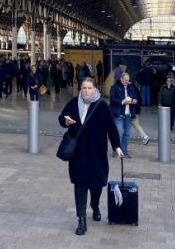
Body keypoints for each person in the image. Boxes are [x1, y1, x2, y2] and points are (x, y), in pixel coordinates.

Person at [58, 78, 123, 235]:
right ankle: (81, 220)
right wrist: (66, 121)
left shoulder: (102, 106)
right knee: (80, 185)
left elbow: (111, 128)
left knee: (96, 185)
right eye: (84, 88)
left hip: (97, 154)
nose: (86, 91)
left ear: (94, 89)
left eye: (89, 88)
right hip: (78, 154)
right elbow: (61, 118)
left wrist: (117, 146)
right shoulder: (74, 103)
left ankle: (95, 205)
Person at [109, 72, 139, 157]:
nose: (127, 82)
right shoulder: (114, 87)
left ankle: (124, 152)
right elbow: (112, 99)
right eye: (125, 80)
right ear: (121, 79)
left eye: (128, 80)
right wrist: (122, 102)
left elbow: (136, 98)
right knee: (119, 132)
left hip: (128, 115)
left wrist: (134, 100)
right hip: (118, 114)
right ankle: (116, 151)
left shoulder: (131, 88)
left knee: (127, 134)